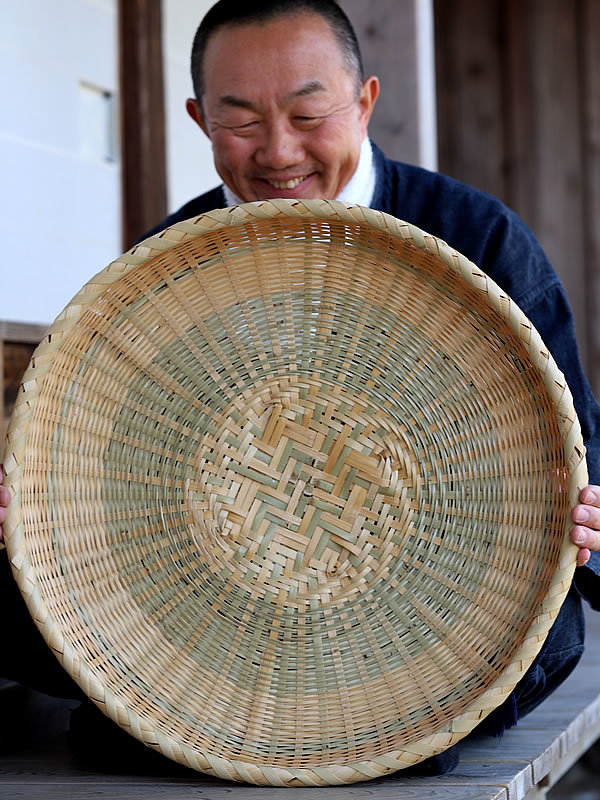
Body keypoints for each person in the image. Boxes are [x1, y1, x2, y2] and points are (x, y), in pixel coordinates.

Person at [1, 0, 599, 777]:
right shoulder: (158, 276)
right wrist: (35, 516)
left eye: (309, 113)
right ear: (197, 118)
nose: (279, 151)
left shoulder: (475, 245)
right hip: (219, 638)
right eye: (240, 120)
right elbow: (101, 483)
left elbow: (576, 452)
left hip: (446, 640)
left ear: (365, 101)